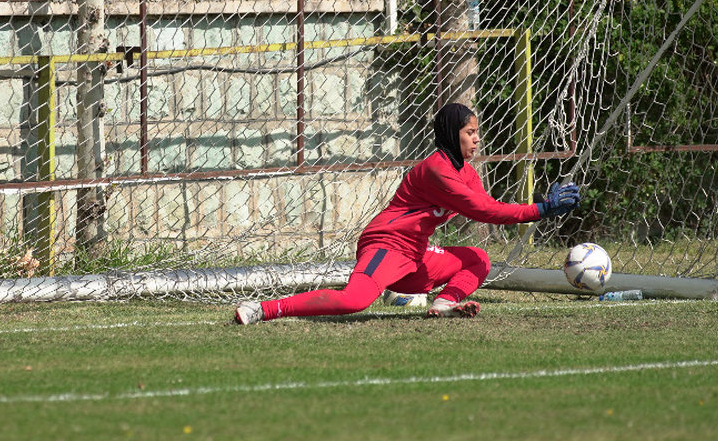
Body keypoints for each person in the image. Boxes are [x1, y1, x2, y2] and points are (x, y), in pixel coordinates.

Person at [234, 103, 581, 324]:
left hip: (415, 255)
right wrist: (542, 208)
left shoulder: (467, 172)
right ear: (451, 134)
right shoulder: (436, 169)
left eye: (477, 132)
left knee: (477, 258)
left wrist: (538, 209)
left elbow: (489, 208)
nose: (476, 140)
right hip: (386, 245)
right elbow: (484, 210)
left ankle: (444, 304)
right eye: (469, 133)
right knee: (354, 301)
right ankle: (264, 309)